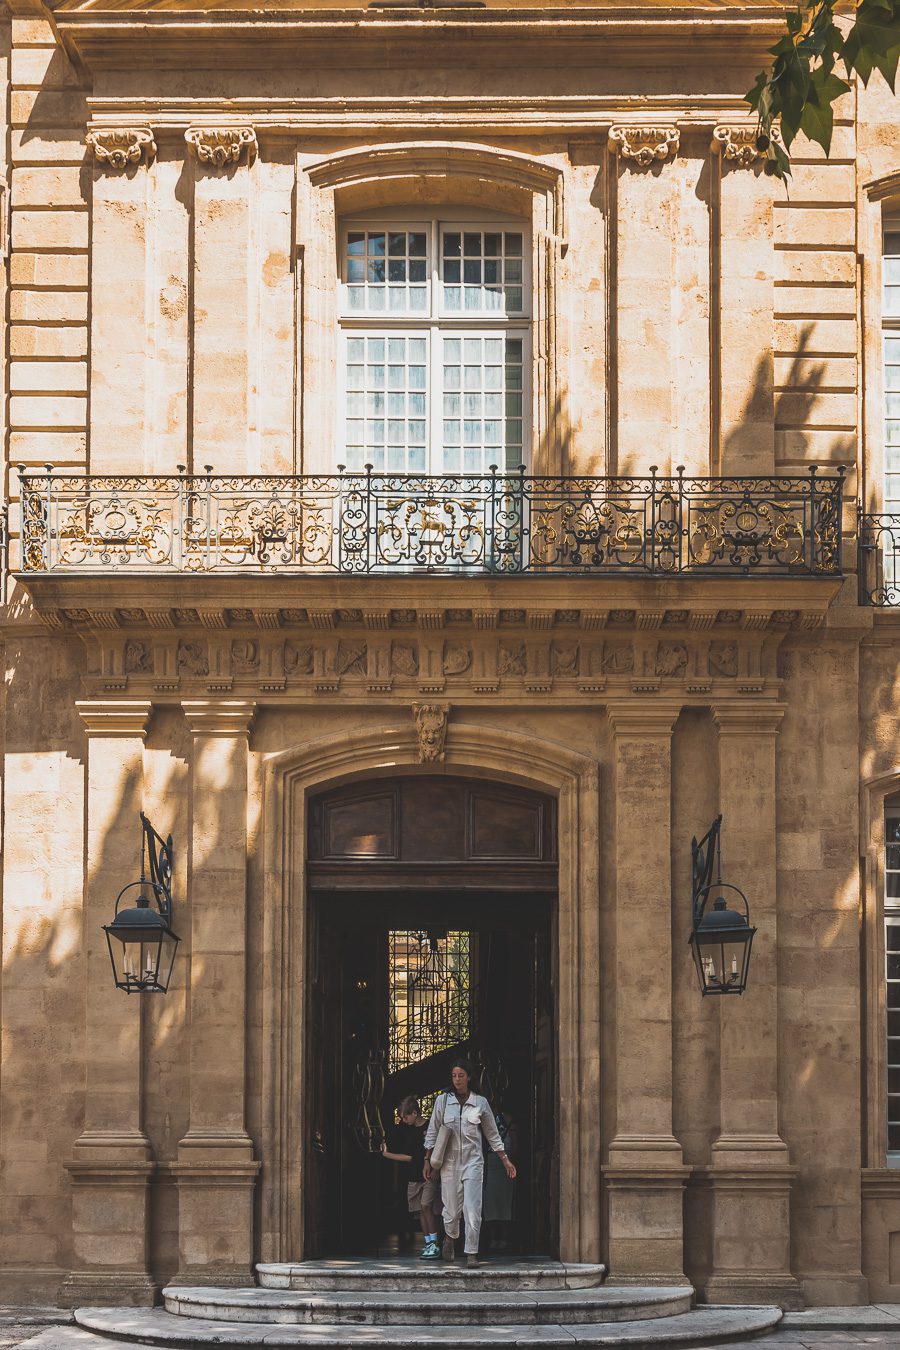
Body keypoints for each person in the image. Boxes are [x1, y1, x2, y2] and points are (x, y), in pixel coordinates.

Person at [423, 1058, 517, 1268]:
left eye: (461, 1075)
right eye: (454, 1076)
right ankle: (450, 1237)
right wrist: (427, 1160)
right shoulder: (443, 1101)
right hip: (448, 1163)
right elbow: (433, 1131)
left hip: (473, 1161)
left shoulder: (480, 1103)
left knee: (473, 1208)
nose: (457, 1080)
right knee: (451, 1210)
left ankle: (471, 1252)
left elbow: (493, 1134)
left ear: (469, 1077)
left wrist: (505, 1160)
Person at [380, 1095, 441, 1259]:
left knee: (426, 1206)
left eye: (405, 1117)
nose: (404, 1120)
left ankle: (435, 1243)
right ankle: (428, 1242)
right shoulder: (406, 1130)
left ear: (415, 1113)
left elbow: (411, 1157)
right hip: (413, 1175)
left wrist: (387, 1155)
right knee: (420, 1209)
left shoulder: (430, 1127)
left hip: (428, 1173)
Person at [482, 1106, 517, 1251]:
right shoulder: (482, 1117)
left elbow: (514, 1139)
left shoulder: (506, 1118)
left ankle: (504, 1238)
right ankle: (493, 1238)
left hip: (504, 1162)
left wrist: (512, 1158)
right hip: (489, 1162)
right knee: (489, 1204)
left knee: (504, 1203)